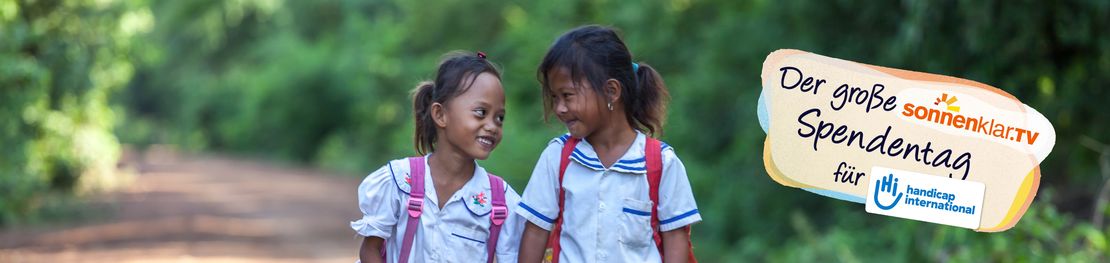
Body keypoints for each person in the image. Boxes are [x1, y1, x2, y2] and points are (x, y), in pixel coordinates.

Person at [351, 51, 523, 263]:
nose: (492, 126)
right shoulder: (400, 181)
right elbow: (370, 250)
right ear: (440, 115)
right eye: (481, 112)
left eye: (499, 118)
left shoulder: (501, 202)